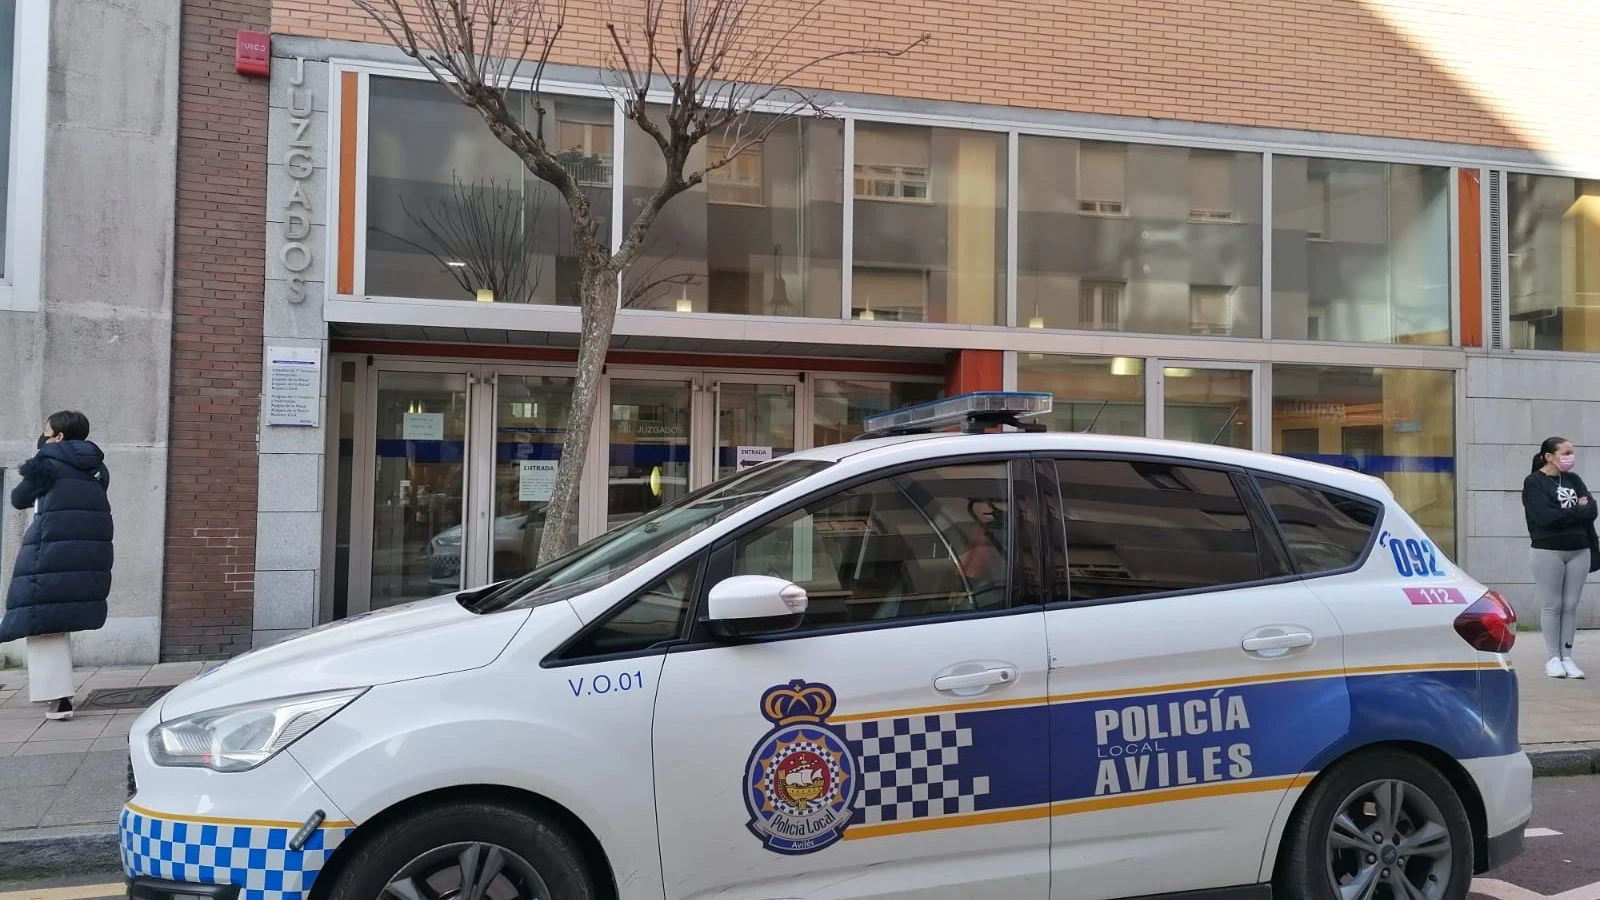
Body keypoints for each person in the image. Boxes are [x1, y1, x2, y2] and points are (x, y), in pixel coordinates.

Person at [1, 411, 113, 720]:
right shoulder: (96, 468)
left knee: (42, 623)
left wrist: (39, 459)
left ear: (59, 437)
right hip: (87, 553)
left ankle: (58, 699)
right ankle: (58, 695)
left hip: (49, 551)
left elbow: (18, 499)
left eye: (46, 433)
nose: (44, 437)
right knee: (56, 620)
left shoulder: (45, 464)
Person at [1522, 436, 1597, 680]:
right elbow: (1545, 517)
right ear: (1549, 456)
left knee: (1571, 605)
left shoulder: (1573, 480)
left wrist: (1570, 512)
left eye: (1571, 452)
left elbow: (1592, 511)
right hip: (1548, 551)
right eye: (1565, 452)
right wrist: (1578, 511)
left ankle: (1567, 656)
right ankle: (1553, 658)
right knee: (1552, 605)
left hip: (1579, 549)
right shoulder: (1534, 482)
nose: (1570, 457)